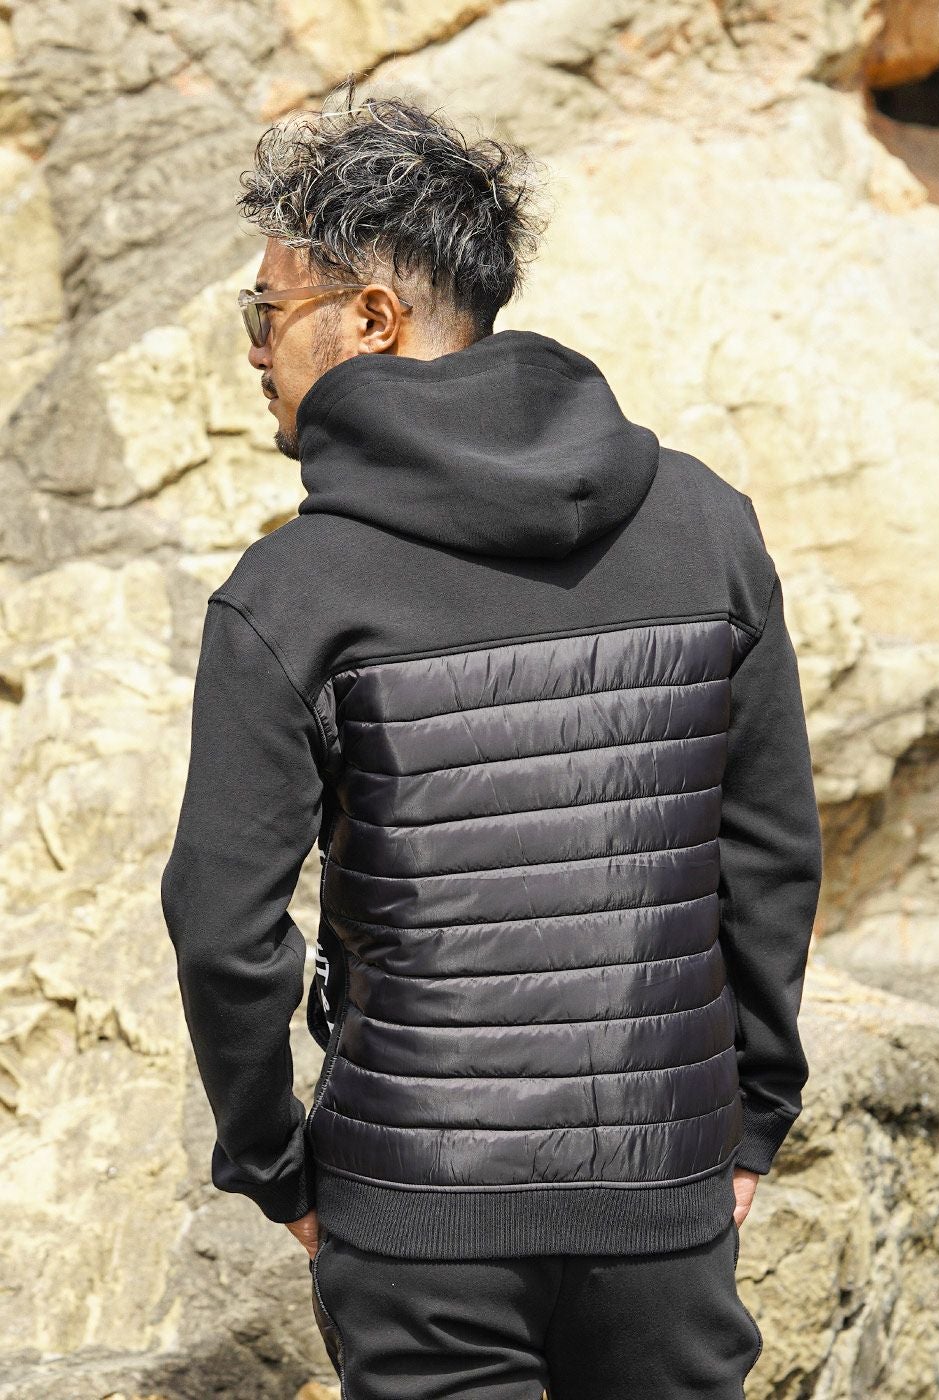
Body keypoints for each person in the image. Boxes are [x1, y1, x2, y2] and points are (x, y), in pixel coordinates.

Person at [160, 74, 824, 1400]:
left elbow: (223, 928)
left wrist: (275, 1162)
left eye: (266, 311)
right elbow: (768, 853)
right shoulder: (706, 525)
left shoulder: (292, 593)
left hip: (417, 1216)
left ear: (372, 317)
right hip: (665, 1196)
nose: (255, 350)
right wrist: (751, 1118)